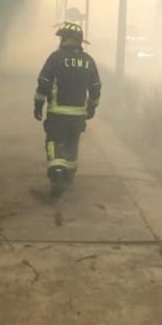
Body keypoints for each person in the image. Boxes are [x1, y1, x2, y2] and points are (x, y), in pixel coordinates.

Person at [33, 22, 101, 197]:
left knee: (54, 143)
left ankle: (57, 176)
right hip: (78, 116)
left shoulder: (55, 58)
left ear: (67, 39)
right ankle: (69, 176)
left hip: (57, 113)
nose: (61, 40)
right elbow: (95, 86)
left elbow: (44, 83)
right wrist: (92, 106)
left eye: (62, 37)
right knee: (72, 144)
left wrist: (38, 104)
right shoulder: (88, 61)